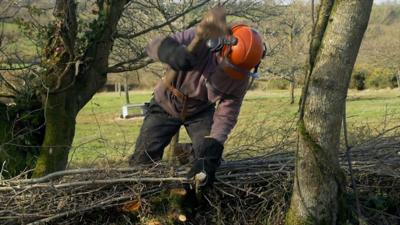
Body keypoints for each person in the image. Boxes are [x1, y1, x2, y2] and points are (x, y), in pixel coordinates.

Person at [129, 22, 265, 187]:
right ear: (220, 46)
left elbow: (227, 113)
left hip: (201, 111)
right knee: (142, 159)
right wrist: (171, 52)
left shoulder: (240, 75)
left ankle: (191, 173)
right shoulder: (201, 36)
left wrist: (214, 144)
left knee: (208, 160)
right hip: (166, 102)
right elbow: (153, 45)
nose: (230, 72)